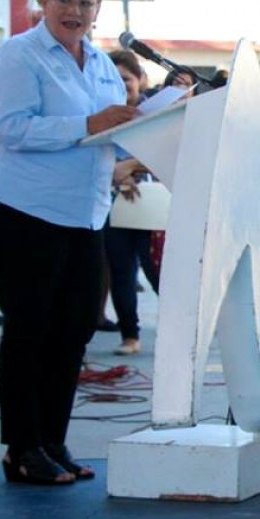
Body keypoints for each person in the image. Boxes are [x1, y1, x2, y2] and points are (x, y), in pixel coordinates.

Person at [0, 0, 137, 485]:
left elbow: (111, 132)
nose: (74, 10)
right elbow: (13, 130)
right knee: (31, 329)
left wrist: (152, 126)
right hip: (26, 209)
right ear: (43, 0)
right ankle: (21, 448)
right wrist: (89, 123)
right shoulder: (19, 54)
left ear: (98, 11)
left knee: (74, 330)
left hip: (85, 213)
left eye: (85, 2)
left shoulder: (101, 63)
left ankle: (52, 440)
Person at [103, 50, 161, 356]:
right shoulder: (101, 116)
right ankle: (130, 335)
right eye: (113, 79)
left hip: (154, 204)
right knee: (121, 272)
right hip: (114, 204)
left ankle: (181, 332)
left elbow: (167, 155)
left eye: (126, 79)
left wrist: (131, 166)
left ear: (140, 80)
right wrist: (118, 175)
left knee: (158, 272)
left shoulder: (156, 116)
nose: (121, 85)